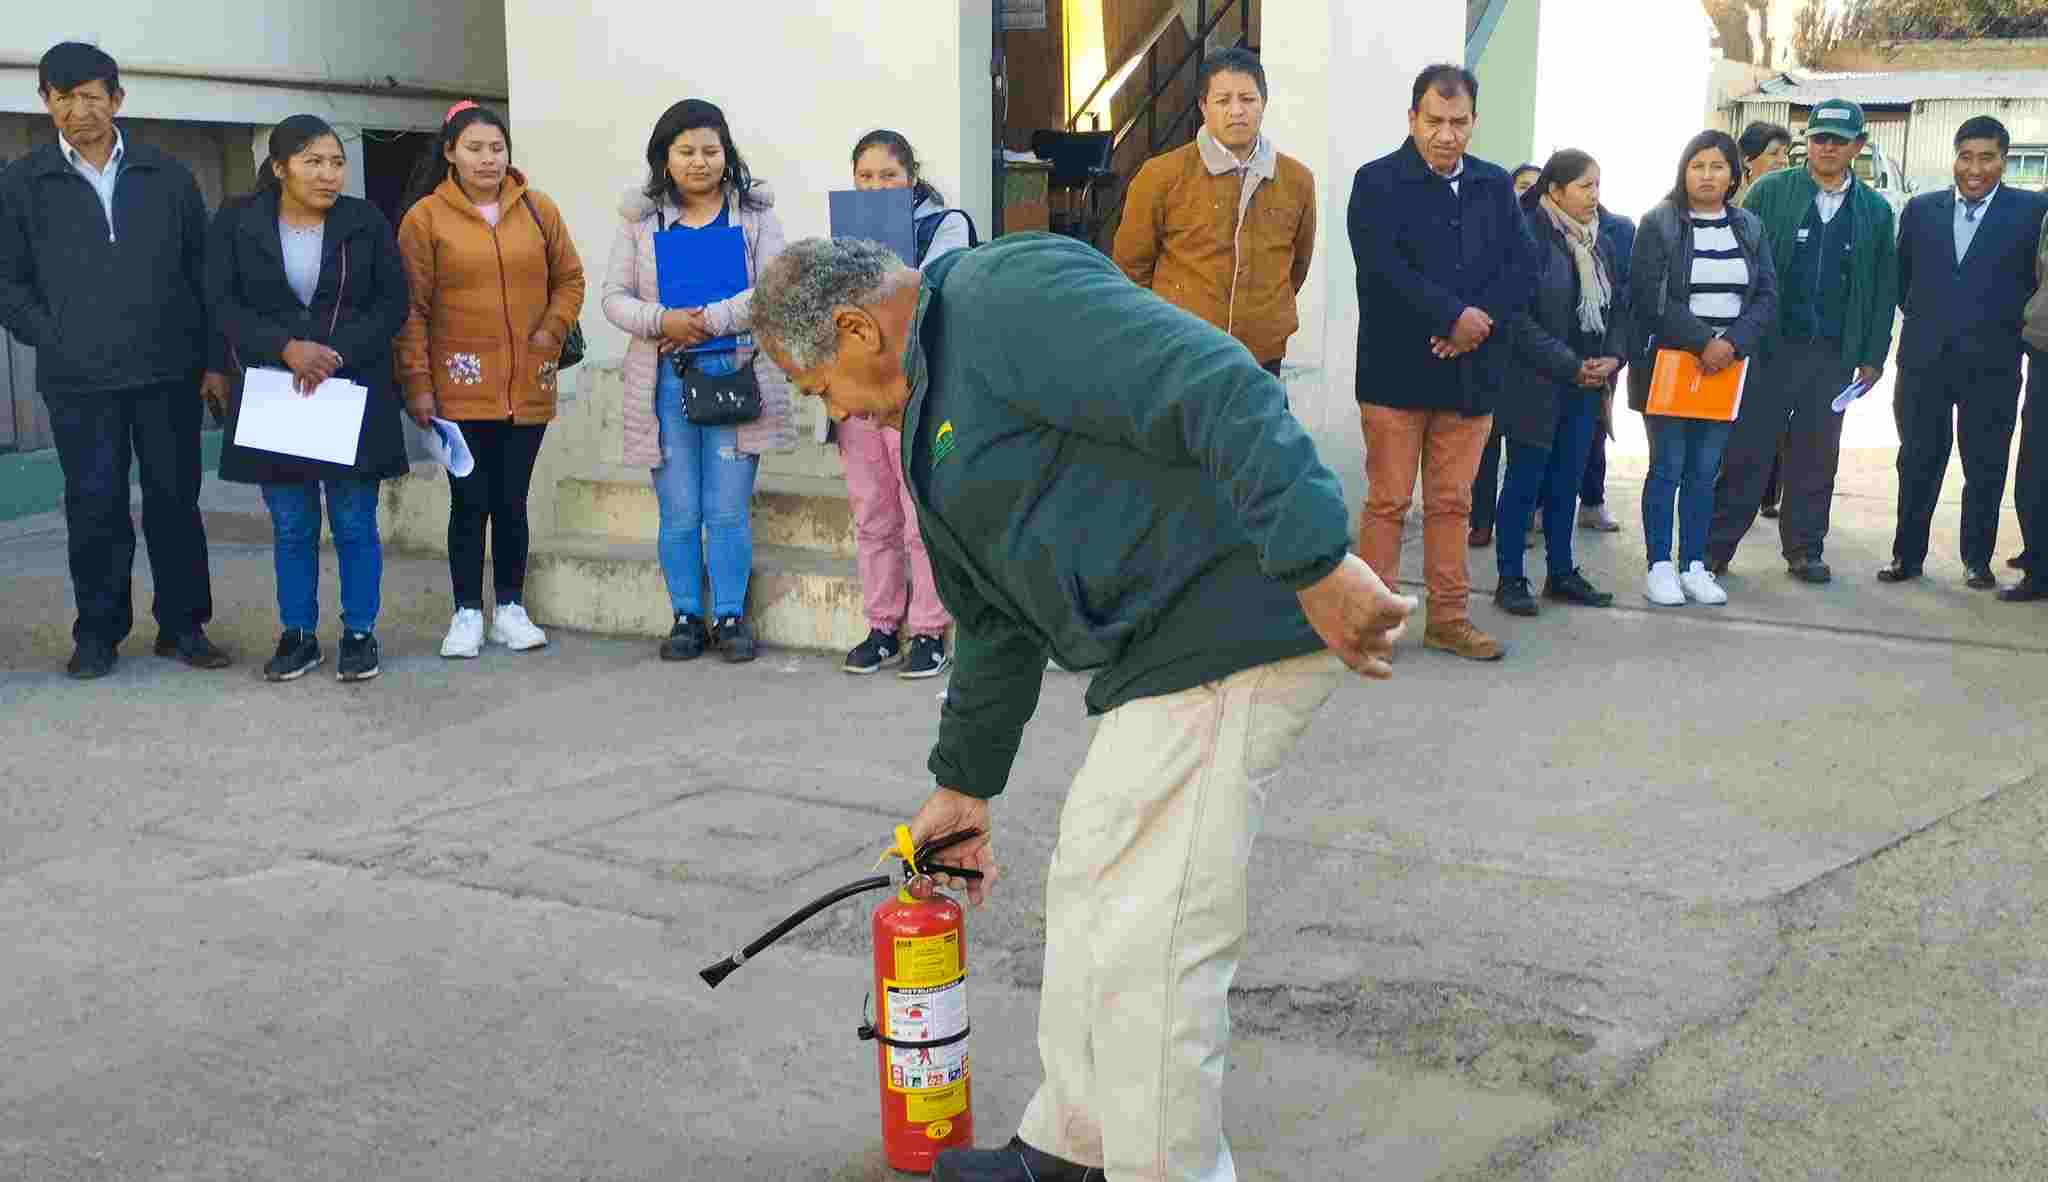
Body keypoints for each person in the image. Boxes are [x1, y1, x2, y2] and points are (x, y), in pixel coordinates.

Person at [748, 233, 1414, 1182]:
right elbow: (994, 620)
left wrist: (1314, 559)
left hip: (1225, 626)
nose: (834, 411)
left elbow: (1215, 378)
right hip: (1156, 658)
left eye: (819, 387)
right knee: (1093, 886)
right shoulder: (934, 411)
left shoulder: (1002, 299)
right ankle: (1070, 1147)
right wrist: (963, 786)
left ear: (856, 329)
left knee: (1157, 942)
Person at [0, 43, 229, 678]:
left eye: (92, 96)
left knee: (175, 504)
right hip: (79, 381)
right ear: (46, 102)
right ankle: (98, 633)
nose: (79, 110)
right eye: (63, 97)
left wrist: (213, 361)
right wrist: (54, 335)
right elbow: (8, 282)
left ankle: (183, 627)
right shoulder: (21, 183)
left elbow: (202, 274)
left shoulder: (166, 174)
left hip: (168, 373)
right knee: (95, 506)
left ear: (118, 100)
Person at [207, 116, 409, 682]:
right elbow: (222, 303)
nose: (328, 174)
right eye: (313, 162)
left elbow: (391, 304)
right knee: (292, 525)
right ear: (279, 168)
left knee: (353, 522)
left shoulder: (364, 221)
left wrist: (330, 352)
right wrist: (286, 347)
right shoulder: (238, 222)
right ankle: (298, 634)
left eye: (336, 162)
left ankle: (359, 633)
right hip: (277, 393)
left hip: (347, 391)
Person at [599, 99, 796, 663]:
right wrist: (663, 321)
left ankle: (731, 616)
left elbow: (774, 289)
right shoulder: (640, 223)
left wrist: (708, 318)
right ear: (665, 157)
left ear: (726, 153)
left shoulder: (755, 217)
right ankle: (687, 614)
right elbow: (613, 299)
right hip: (666, 380)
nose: (699, 162)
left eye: (710, 150)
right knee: (680, 509)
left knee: (728, 509)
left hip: (735, 373)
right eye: (686, 151)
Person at [1349, 64, 1534, 661]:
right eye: (1435, 121)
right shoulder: (1376, 182)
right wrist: (1450, 316)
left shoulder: (1494, 186)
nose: (1446, 134)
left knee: (1453, 504)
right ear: (1412, 119)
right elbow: (1382, 270)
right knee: (1389, 502)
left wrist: (1473, 326)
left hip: (1469, 373)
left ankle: (1449, 619)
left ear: (1474, 123)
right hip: (1395, 373)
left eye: (1458, 123)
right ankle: (1374, 624)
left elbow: (1520, 270)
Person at [397, 102, 585, 659]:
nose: (488, 158)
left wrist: (551, 329)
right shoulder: (425, 219)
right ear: (451, 152)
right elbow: (411, 310)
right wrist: (418, 385)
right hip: (459, 387)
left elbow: (570, 278)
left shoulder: (538, 209)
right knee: (468, 501)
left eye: (496, 148)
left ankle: (510, 608)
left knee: (512, 500)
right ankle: (465, 613)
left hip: (529, 380)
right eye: (475, 148)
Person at [1707, 99, 1897, 584]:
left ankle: (1805, 549)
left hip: (1832, 354)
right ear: (1805, 143)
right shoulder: (1770, 192)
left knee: (1817, 456)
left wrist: (1873, 356)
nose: (1827, 147)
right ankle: (1714, 547)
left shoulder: (1874, 211)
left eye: (1838, 139)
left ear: (1858, 145)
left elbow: (1882, 288)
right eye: (1818, 138)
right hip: (1769, 350)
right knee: (1747, 451)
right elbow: (1735, 262)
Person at [1882, 116, 2046, 590]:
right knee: (1916, 462)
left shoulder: (2032, 212)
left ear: (2004, 160)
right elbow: (1903, 280)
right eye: (1966, 157)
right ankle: (1906, 556)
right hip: (1923, 363)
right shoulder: (1921, 210)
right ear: (1954, 157)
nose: (1974, 169)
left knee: (1985, 466)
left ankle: (1977, 559)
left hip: (1992, 366)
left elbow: (2038, 284)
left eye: (1987, 158)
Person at [835, 129, 969, 678]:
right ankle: (883, 624)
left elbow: (936, 292)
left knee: (922, 518)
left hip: (917, 391)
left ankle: (931, 630)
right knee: (873, 516)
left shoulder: (947, 224)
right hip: (859, 396)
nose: (876, 186)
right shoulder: (838, 236)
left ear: (911, 177)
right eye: (865, 177)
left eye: (888, 175)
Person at [1629, 130, 1780, 607]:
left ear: (1734, 175)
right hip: (1674, 362)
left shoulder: (1749, 228)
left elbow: (1766, 295)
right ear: (1683, 171)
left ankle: (1694, 564)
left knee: (1704, 471)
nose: (1708, 175)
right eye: (1698, 166)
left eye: (1718, 167)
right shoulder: (1659, 223)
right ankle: (1660, 566)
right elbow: (1651, 296)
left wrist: (1732, 343)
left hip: (1726, 368)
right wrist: (1703, 341)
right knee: (1667, 467)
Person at [1112, 47, 1316, 380]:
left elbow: (1296, 266)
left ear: (1263, 103)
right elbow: (1130, 269)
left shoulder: (1297, 180)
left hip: (1261, 358)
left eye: (1248, 99)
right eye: (1223, 101)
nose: (1237, 111)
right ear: (1203, 107)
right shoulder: (1161, 175)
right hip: (1182, 352)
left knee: (1255, 433)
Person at [1490, 150, 1627, 618]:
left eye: (1597, 186)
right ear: (1554, 190)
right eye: (1585, 186)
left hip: (1586, 383)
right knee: (1524, 482)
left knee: (1567, 481)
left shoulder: (1598, 242)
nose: (1595, 196)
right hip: (1535, 382)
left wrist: (1613, 357)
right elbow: (1517, 318)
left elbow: (1619, 308)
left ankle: (1561, 572)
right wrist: (1570, 364)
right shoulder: (1525, 238)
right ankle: (1510, 579)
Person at [1467, 158, 1550, 549]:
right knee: (1485, 448)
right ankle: (1480, 521)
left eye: (1535, 184)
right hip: (1489, 350)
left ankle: (1514, 522)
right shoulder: (1491, 229)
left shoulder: (1538, 236)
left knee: (1522, 452)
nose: (1526, 191)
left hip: (1531, 363)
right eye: (1522, 184)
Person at [1739, 120, 1795, 520]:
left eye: (1785, 155)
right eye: (1773, 154)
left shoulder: (1788, 198)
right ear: (1747, 160)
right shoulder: (1734, 202)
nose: (1781, 162)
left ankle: (1768, 491)